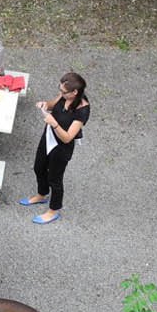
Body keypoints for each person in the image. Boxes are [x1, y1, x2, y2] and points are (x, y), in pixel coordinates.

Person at [22, 72, 90, 225]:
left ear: (75, 92)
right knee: (39, 167)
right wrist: (45, 105)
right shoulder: (65, 96)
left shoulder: (82, 110)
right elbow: (53, 103)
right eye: (60, 90)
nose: (61, 94)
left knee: (55, 178)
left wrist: (54, 123)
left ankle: (54, 210)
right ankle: (42, 194)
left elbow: (68, 138)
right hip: (48, 137)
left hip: (61, 148)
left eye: (64, 92)